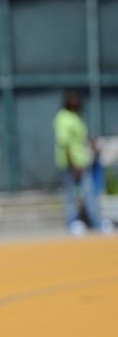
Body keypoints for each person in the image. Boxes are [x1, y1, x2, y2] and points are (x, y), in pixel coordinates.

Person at [53, 89, 111, 235]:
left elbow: (80, 138)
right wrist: (73, 164)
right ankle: (72, 222)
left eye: (77, 99)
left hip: (82, 161)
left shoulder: (76, 116)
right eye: (72, 99)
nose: (76, 102)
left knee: (89, 192)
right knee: (71, 193)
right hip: (72, 163)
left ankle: (95, 221)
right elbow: (65, 143)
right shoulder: (63, 117)